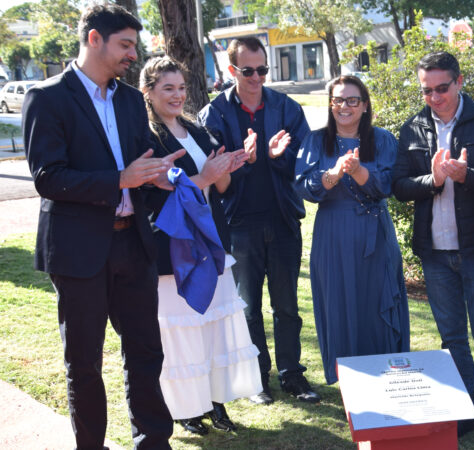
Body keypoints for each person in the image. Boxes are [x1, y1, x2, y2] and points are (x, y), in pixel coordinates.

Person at [22, 5, 182, 448]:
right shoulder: (47, 96)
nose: (133, 54)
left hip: (133, 245)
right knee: (85, 363)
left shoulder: (132, 100)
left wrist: (162, 179)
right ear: (94, 39)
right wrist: (119, 179)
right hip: (78, 252)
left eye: (134, 45)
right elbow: (47, 177)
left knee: (146, 352)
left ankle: (153, 440)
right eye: (125, 45)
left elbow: (142, 167)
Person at [392, 51, 474, 450]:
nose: (434, 97)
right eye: (426, 90)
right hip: (435, 252)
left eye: (442, 88)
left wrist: (467, 176)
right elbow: (399, 186)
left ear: (459, 82)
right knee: (452, 340)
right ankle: (465, 413)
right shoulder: (412, 127)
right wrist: (434, 179)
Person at [140, 56, 263, 435]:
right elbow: (158, 194)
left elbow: (220, 188)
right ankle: (185, 410)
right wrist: (205, 176)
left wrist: (228, 169)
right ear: (148, 93)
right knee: (183, 332)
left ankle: (215, 402)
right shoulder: (145, 138)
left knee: (211, 328)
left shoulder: (196, 130)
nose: (177, 96)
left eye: (181, 88)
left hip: (211, 242)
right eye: (168, 89)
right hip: (174, 247)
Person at [199, 37, 319, 404]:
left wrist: (275, 158)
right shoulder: (215, 114)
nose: (256, 77)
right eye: (248, 70)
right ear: (232, 70)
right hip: (238, 224)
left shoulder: (286, 108)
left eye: (262, 69)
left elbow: (303, 163)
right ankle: (256, 378)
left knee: (286, 306)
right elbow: (214, 175)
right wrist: (247, 162)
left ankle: (292, 375)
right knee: (247, 307)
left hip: (282, 220)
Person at [294, 76, 410, 384]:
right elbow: (305, 186)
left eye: (352, 100)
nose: (344, 106)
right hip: (334, 233)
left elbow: (388, 184)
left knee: (378, 304)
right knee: (339, 303)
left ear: (365, 105)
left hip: (375, 232)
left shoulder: (383, 139)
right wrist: (332, 174)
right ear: (330, 104)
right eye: (338, 100)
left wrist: (358, 171)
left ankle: (388, 378)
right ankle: (351, 382)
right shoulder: (316, 140)